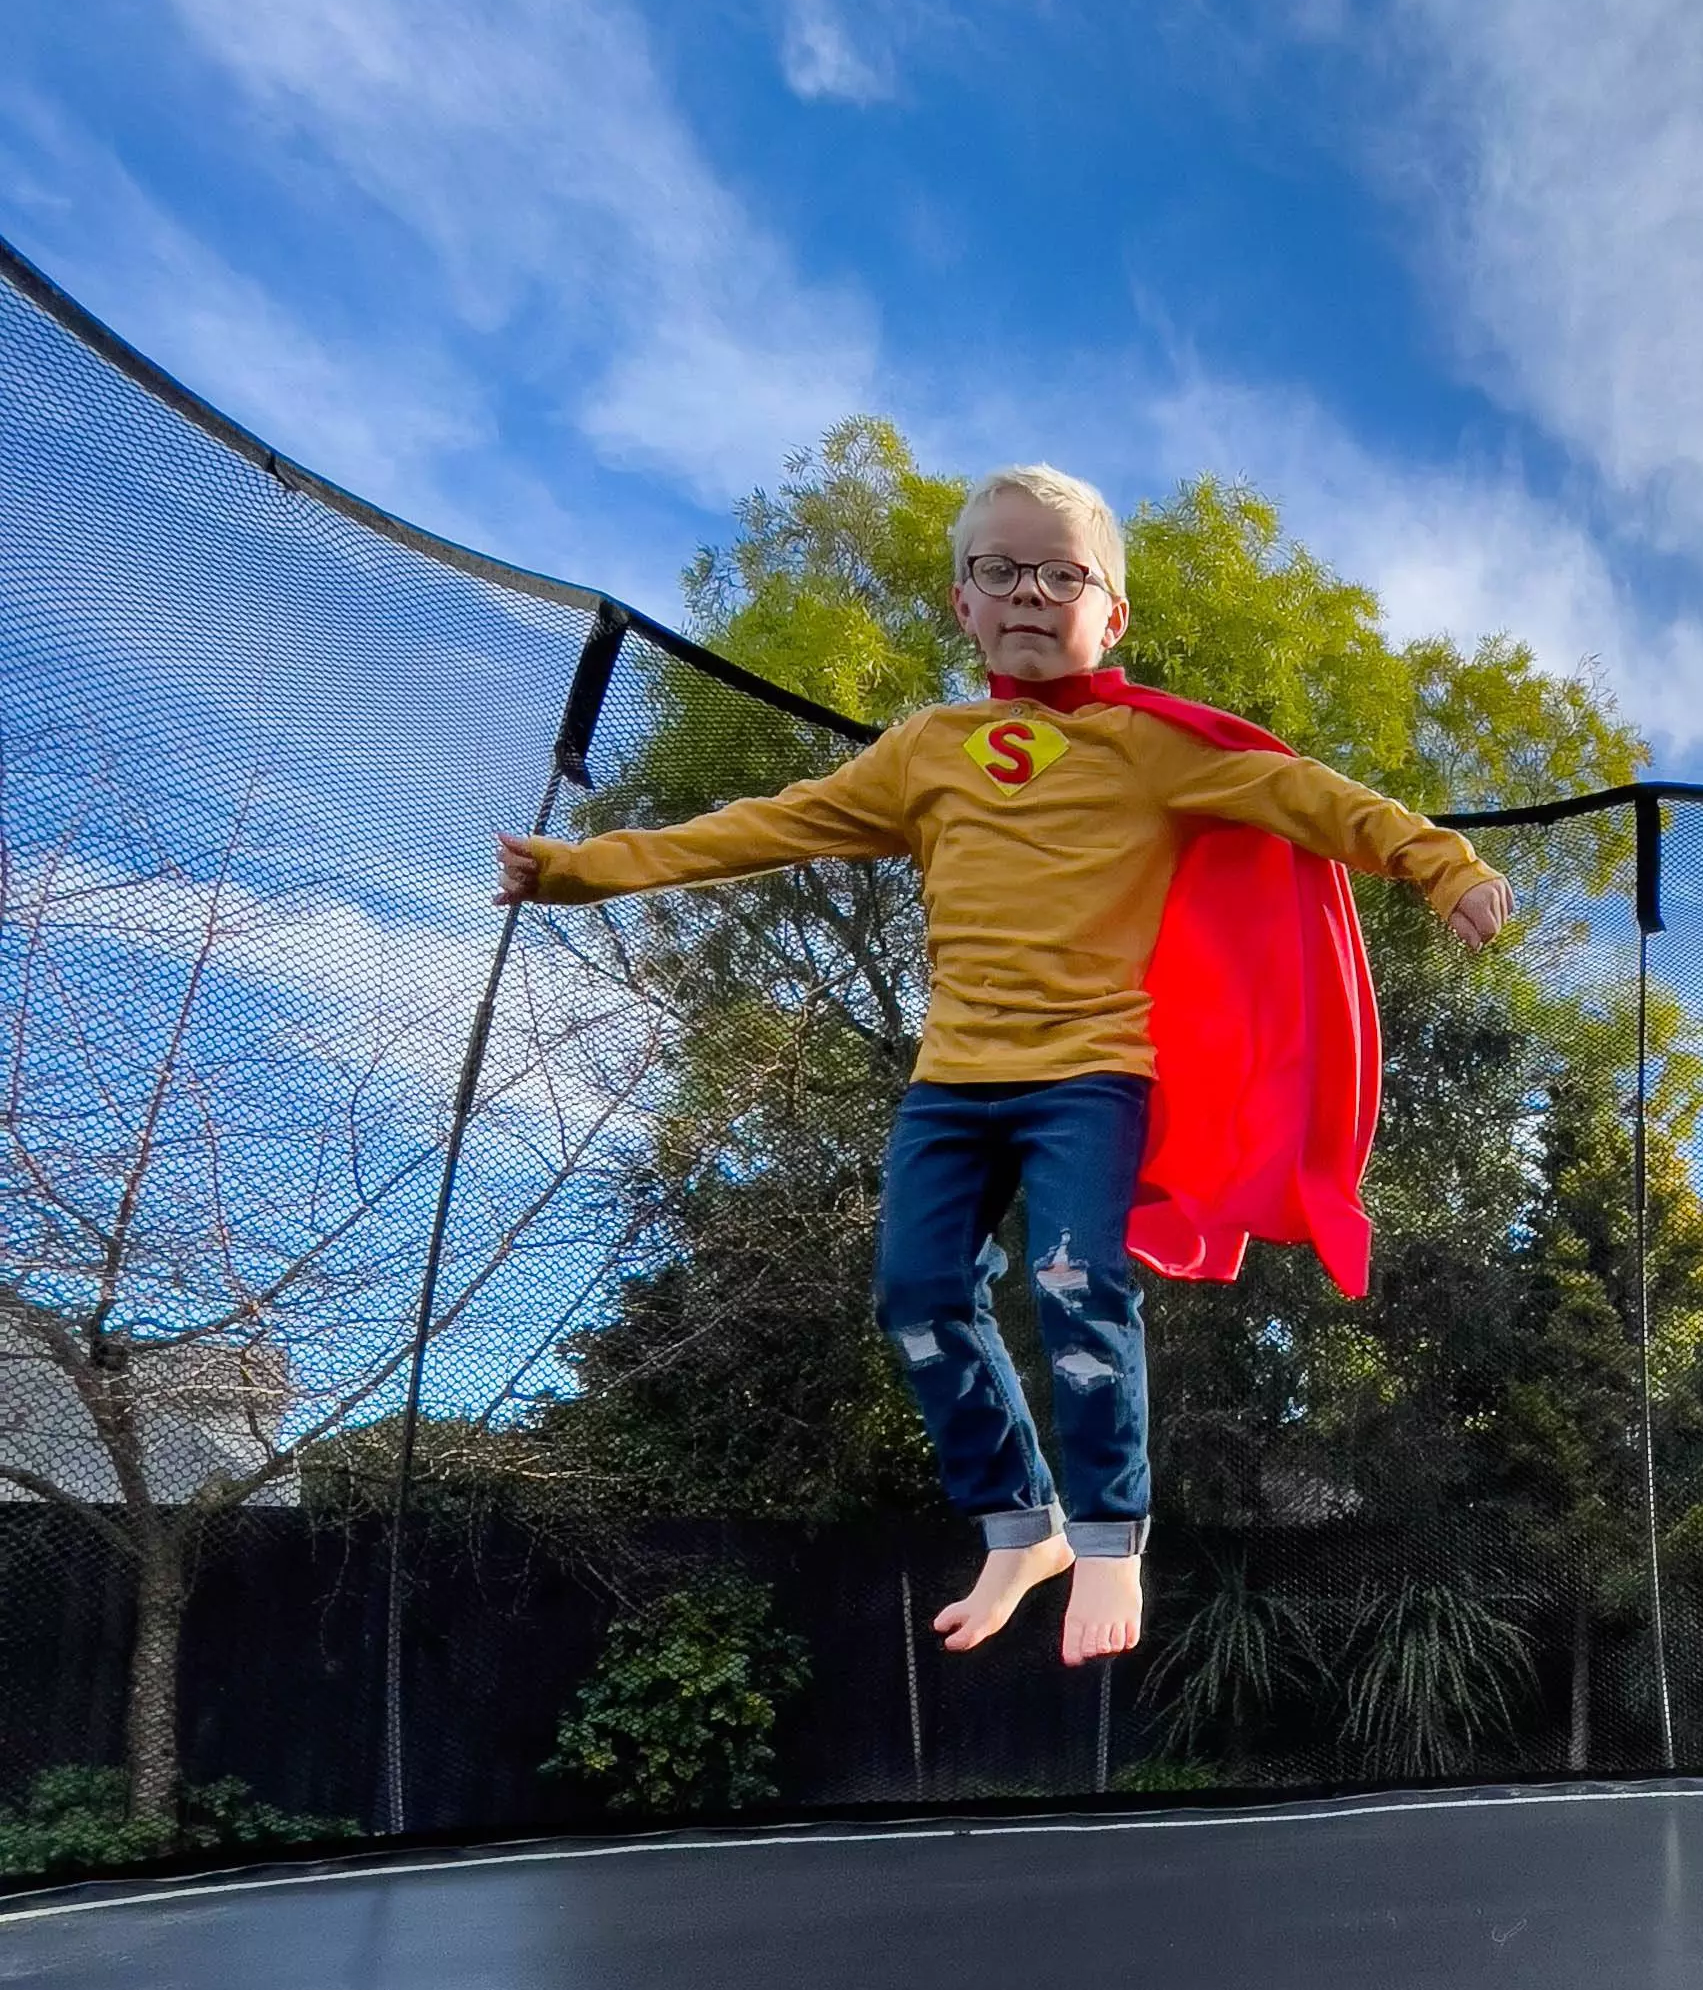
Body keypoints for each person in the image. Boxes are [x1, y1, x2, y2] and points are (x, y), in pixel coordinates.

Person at [498, 466, 1511, 1666]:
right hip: (953, 1084)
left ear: (1110, 612)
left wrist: (1437, 860)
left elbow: (1304, 794)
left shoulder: (1152, 749)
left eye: (1063, 574)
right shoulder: (926, 751)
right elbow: (768, 826)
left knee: (1079, 1275)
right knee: (917, 1289)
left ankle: (1107, 1538)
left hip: (1094, 1073)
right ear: (962, 604)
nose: (1031, 592)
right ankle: (1017, 1524)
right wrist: (582, 868)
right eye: (1000, 570)